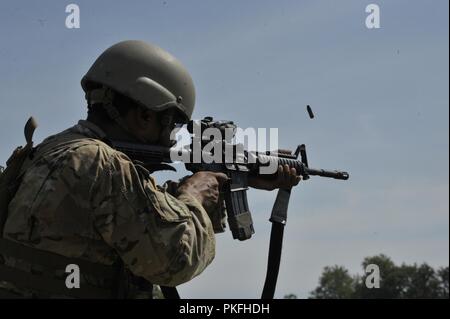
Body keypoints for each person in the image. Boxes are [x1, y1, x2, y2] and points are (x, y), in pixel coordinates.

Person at [0, 40, 300, 298]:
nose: (172, 137)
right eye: (172, 124)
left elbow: (127, 210)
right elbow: (174, 260)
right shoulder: (104, 165)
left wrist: (232, 179)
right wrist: (193, 197)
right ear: (144, 115)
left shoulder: (52, 150)